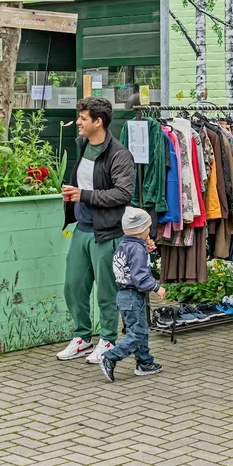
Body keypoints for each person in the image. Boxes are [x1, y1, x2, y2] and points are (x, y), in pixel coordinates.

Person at [57, 97, 135, 364]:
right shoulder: (82, 146)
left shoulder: (119, 154)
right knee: (73, 286)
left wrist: (85, 195)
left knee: (106, 291)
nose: (78, 122)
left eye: (83, 118)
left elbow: (123, 193)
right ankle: (82, 338)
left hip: (107, 232)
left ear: (98, 122)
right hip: (82, 228)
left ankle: (108, 340)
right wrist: (72, 196)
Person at [99, 207, 165, 382]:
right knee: (136, 334)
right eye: (148, 228)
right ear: (141, 230)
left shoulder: (125, 245)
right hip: (132, 295)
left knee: (140, 331)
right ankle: (110, 357)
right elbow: (140, 276)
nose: (149, 231)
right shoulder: (136, 249)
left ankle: (144, 363)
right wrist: (156, 287)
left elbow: (129, 265)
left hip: (124, 295)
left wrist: (146, 251)